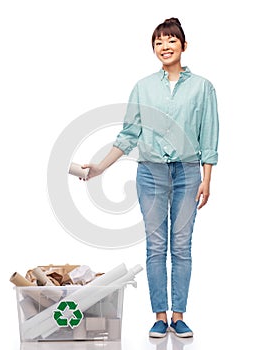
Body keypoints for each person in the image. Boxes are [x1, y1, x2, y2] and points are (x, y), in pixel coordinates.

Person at [81, 17, 219, 338]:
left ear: (184, 46)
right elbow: (129, 135)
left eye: (171, 41)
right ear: (153, 49)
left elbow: (209, 135)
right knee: (156, 247)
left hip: (188, 172)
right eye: (158, 42)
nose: (165, 47)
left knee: (181, 246)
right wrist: (100, 166)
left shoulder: (203, 87)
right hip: (150, 173)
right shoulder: (143, 87)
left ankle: (179, 315)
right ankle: (160, 316)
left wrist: (207, 178)